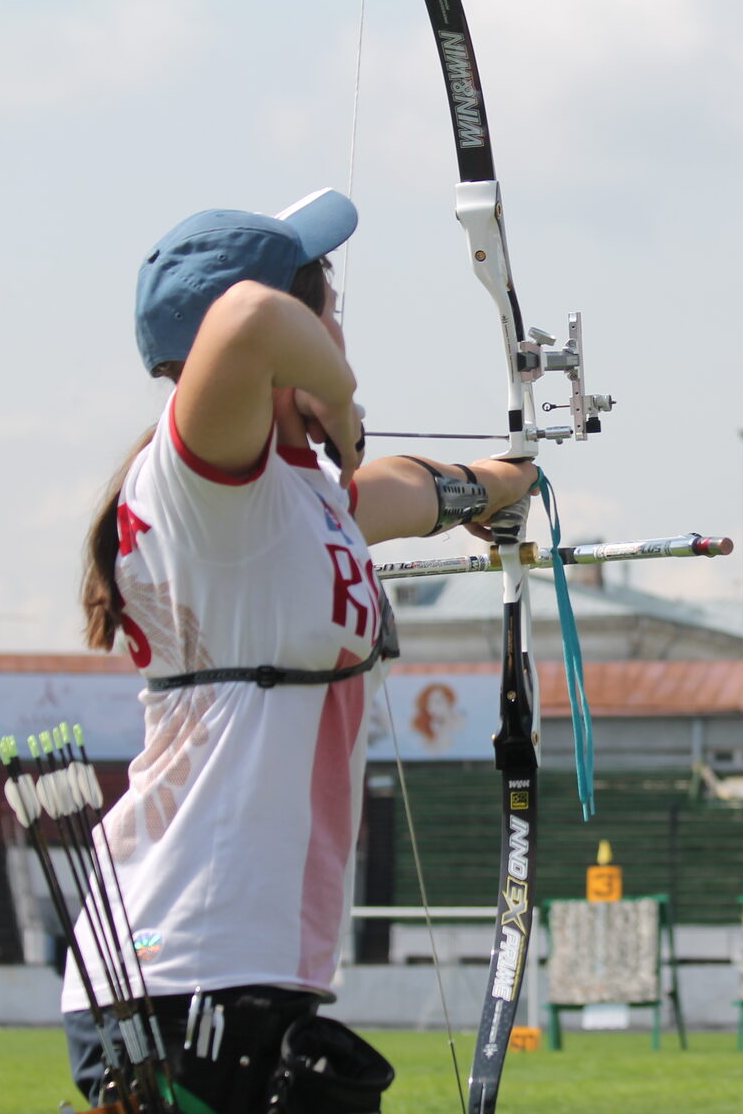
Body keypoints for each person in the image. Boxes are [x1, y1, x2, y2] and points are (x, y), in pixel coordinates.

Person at [66, 189, 535, 1111]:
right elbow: (245, 317)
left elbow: (391, 493)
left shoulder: (288, 497)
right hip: (186, 966)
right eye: (330, 311)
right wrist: (342, 392)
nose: (339, 329)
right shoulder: (204, 488)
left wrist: (497, 486)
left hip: (244, 968)